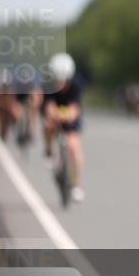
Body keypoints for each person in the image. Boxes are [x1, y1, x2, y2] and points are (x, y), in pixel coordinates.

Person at [42, 52, 85, 203]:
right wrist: (54, 115)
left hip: (69, 115)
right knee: (47, 126)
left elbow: (75, 108)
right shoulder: (47, 85)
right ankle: (49, 151)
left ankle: (76, 185)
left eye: (63, 79)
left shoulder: (76, 85)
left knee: (74, 146)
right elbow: (48, 106)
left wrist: (67, 116)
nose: (59, 83)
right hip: (54, 114)